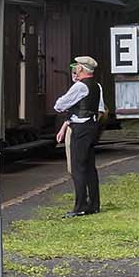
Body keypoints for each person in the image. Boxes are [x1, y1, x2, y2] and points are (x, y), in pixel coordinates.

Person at [54, 53, 111, 216]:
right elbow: (100, 109)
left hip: (80, 129)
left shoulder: (80, 86)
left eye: (76, 68)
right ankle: (94, 204)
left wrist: (69, 114)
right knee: (90, 167)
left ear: (80, 69)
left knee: (78, 167)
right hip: (92, 127)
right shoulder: (97, 86)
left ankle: (80, 207)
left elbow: (59, 105)